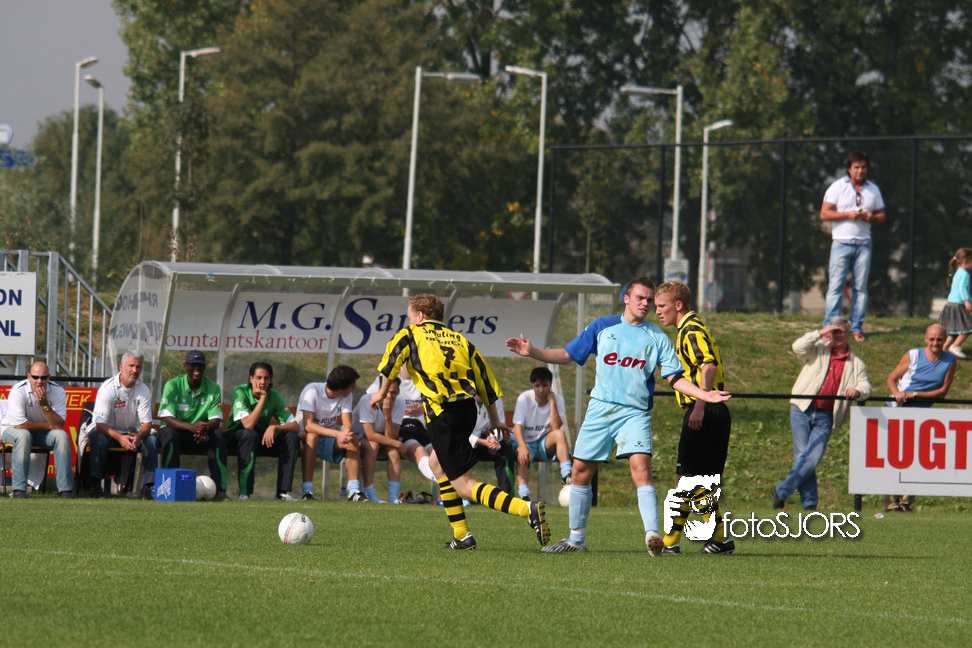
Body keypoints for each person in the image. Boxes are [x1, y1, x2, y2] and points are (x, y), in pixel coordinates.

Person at [506, 277, 731, 555]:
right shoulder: (602, 326)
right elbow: (567, 354)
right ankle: (576, 540)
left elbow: (675, 378)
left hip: (635, 413)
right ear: (626, 298)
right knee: (579, 472)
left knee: (642, 470)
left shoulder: (657, 337)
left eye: (650, 300)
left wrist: (703, 395)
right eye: (640, 298)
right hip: (600, 410)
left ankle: (653, 537)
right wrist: (533, 352)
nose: (646, 304)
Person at [370, 293, 549, 550]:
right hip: (466, 410)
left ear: (419, 316)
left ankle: (525, 509)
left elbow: (392, 361)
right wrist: (494, 419)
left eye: (409, 317)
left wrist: (381, 392)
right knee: (437, 465)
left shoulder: (410, 334)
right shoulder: (460, 340)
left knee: (464, 485)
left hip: (443, 414)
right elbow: (485, 380)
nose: (408, 322)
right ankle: (462, 536)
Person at [654, 281, 734, 554]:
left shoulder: (690, 329)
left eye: (661, 306)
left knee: (685, 477)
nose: (657, 312)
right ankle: (719, 539)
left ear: (678, 305)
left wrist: (700, 404)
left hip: (706, 409)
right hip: (712, 409)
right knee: (696, 481)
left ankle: (673, 543)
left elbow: (708, 366)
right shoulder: (691, 328)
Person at [771, 318, 871, 511]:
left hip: (826, 415)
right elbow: (798, 347)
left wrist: (857, 391)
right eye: (834, 331)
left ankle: (781, 491)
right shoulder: (818, 349)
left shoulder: (856, 363)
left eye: (841, 331)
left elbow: (865, 386)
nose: (837, 335)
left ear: (849, 334)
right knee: (803, 457)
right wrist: (819, 332)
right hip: (802, 408)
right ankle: (809, 504)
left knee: (812, 457)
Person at [883, 324, 957, 512]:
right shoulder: (913, 355)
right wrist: (898, 393)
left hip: (921, 415)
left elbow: (942, 392)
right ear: (925, 339)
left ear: (945, 340)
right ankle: (891, 503)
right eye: (932, 339)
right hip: (897, 410)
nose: (935, 343)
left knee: (915, 459)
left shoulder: (950, 360)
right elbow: (891, 379)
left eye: (939, 339)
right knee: (894, 457)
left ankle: (906, 502)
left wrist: (916, 394)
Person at [821, 151, 886, 343]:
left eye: (863, 167)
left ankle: (856, 327)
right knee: (836, 286)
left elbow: (882, 215)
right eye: (856, 167)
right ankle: (830, 327)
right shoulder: (837, 187)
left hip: (864, 244)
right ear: (849, 169)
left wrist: (872, 218)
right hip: (841, 242)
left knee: (861, 288)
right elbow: (824, 213)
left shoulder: (873, 189)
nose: (860, 171)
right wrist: (847, 215)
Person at [81, 350, 158, 499]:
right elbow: (99, 424)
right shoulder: (108, 388)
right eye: (131, 366)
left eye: (138, 366)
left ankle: (148, 488)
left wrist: (139, 436)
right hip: (106, 432)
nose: (134, 370)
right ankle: (95, 486)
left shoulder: (143, 389)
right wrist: (120, 438)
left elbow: (147, 423)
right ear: (121, 367)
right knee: (99, 439)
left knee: (152, 440)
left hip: (129, 432)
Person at [157, 350, 229, 500]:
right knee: (169, 434)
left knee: (218, 436)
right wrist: (191, 427)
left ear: (204, 367)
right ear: (186, 366)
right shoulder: (173, 385)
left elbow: (216, 420)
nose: (197, 368)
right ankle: (169, 487)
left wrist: (204, 428)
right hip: (177, 432)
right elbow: (167, 418)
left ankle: (220, 490)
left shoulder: (213, 388)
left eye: (200, 365)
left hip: (200, 434)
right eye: (193, 365)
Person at [298, 365, 376, 502]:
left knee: (353, 439)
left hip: (329, 437)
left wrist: (346, 432)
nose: (354, 389)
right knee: (312, 437)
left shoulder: (347, 395)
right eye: (352, 386)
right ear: (341, 388)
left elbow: (347, 423)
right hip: (304, 436)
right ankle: (307, 491)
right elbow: (308, 425)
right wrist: (337, 434)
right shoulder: (312, 390)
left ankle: (354, 492)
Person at [225, 362, 301, 501]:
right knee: (249, 435)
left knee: (291, 437)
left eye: (266, 378)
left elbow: (295, 427)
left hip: (257, 437)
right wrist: (263, 398)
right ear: (251, 378)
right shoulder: (240, 391)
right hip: (235, 437)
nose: (263, 382)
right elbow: (248, 425)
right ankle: (244, 493)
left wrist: (274, 427)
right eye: (259, 378)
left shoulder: (274, 395)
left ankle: (282, 493)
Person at [352, 376, 436, 503]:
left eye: (393, 392)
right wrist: (397, 443)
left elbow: (391, 436)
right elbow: (370, 435)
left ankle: (393, 497)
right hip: (357, 437)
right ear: (380, 390)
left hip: (380, 438)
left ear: (398, 392)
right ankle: (370, 493)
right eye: (386, 392)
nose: (389, 396)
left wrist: (387, 415)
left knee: (393, 452)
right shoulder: (367, 400)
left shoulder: (400, 403)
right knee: (373, 446)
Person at [3, 361, 74, 498]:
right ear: (29, 377)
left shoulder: (58, 391)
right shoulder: (19, 390)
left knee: (62, 436)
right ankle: (19, 490)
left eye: (43, 377)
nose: (39, 381)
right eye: (35, 377)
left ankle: (65, 490)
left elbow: (59, 425)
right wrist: (49, 426)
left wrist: (44, 404)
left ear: (49, 377)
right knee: (23, 435)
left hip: (41, 433)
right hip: (11, 428)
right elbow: (20, 425)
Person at [510, 367, 572, 501]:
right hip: (525, 441)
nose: (541, 390)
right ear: (532, 385)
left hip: (543, 441)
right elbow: (517, 426)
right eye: (537, 386)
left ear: (550, 385)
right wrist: (523, 447)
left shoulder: (558, 399)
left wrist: (552, 402)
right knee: (522, 455)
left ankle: (567, 475)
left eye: (545, 386)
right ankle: (524, 495)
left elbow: (555, 426)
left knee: (560, 434)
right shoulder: (524, 398)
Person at [469, 394, 515, 495]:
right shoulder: (463, 398)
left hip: (484, 440)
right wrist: (482, 442)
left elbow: (499, 423)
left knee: (505, 448)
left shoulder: (495, 398)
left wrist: (493, 439)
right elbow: (458, 432)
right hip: (464, 441)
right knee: (458, 449)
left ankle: (506, 495)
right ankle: (464, 496)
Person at [938, 248, 972, 358]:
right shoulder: (965, 274)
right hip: (958, 305)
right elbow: (962, 289)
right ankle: (955, 346)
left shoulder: (958, 272)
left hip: (950, 305)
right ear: (965, 261)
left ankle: (943, 349)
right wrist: (967, 301)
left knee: (955, 330)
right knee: (968, 327)